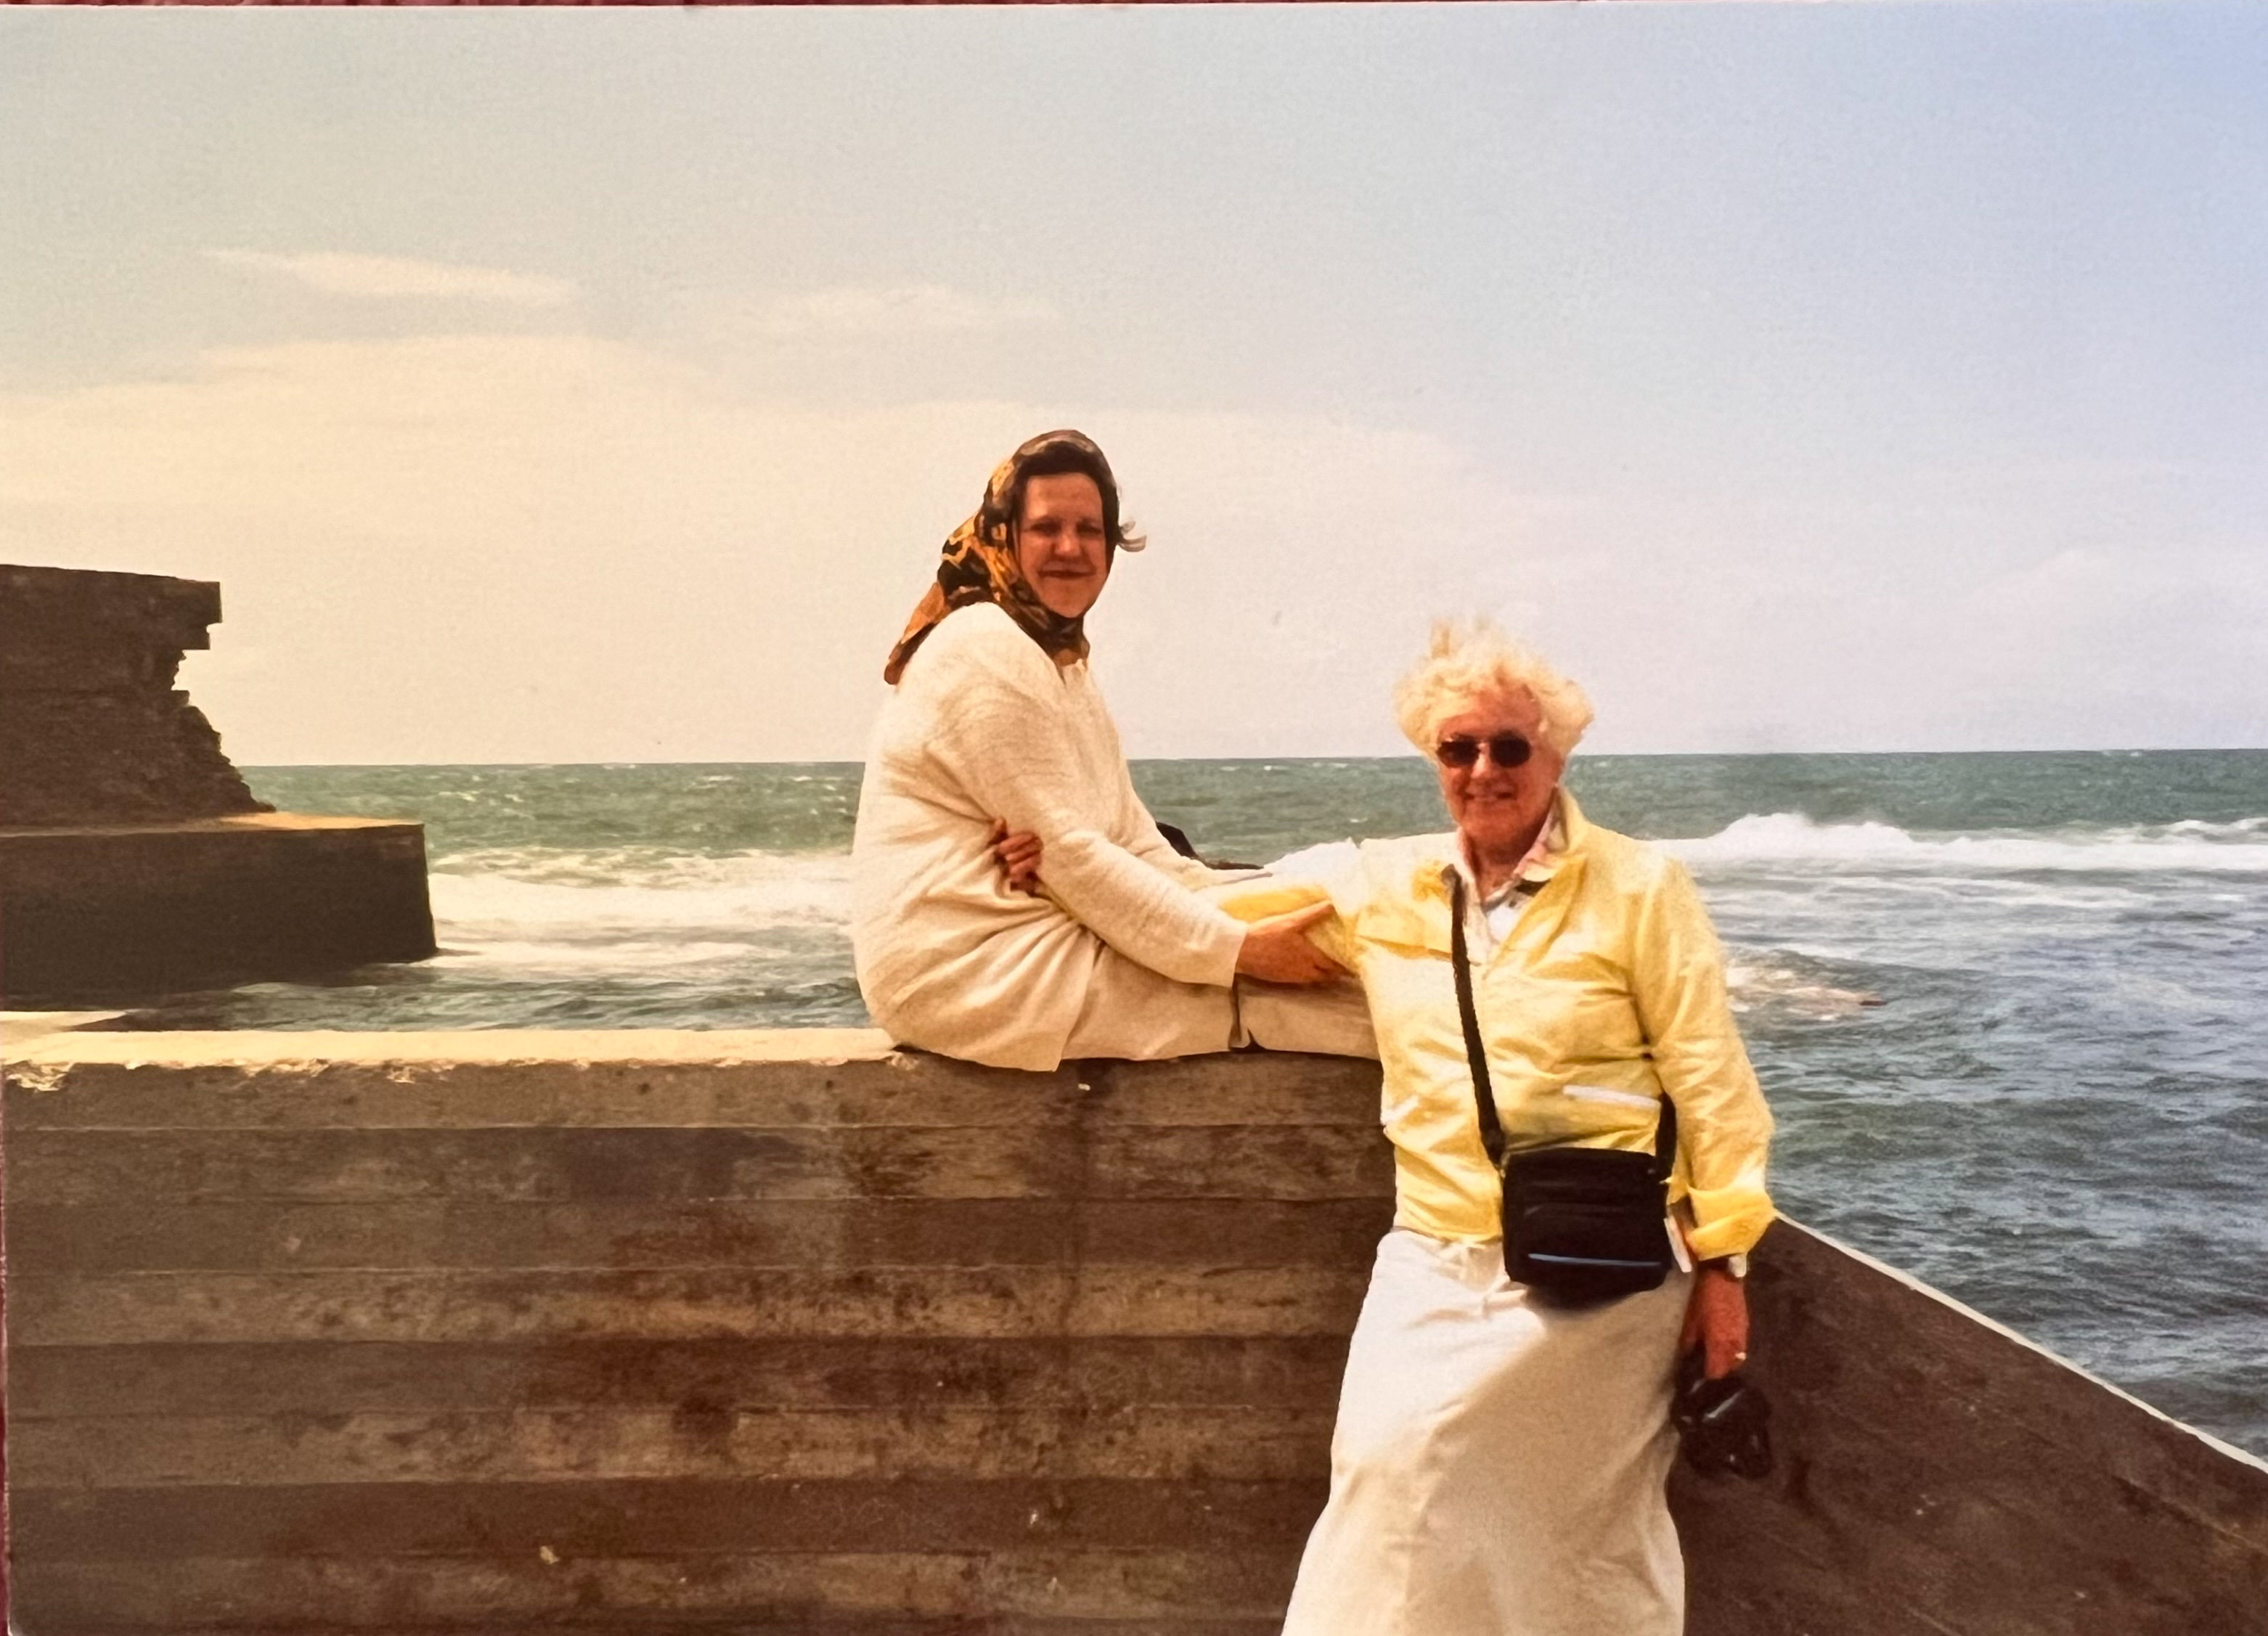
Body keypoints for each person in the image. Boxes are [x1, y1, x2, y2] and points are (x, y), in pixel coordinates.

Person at [1274, 620, 1776, 1636]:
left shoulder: (1642, 887)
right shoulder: (1388, 884)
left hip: (1601, 1271)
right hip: (1434, 1253)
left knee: (1581, 1529)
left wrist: (1726, 1269)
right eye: (1457, 748)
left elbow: (1710, 1076)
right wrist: (1049, 867)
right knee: (1388, 1475)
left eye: (1510, 747)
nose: (1483, 770)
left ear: (1555, 756)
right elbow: (1206, 914)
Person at [850, 428, 1374, 1073]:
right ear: (1005, 536)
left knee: (1327, 909)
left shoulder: (1059, 658)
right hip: (966, 969)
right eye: (1047, 528)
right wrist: (1241, 951)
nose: (1070, 549)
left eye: (1089, 530)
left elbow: (1127, 836)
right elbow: (1073, 854)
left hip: (1023, 927)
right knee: (1310, 1000)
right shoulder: (984, 647)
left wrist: (1243, 898)